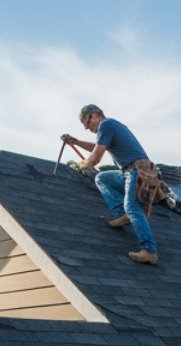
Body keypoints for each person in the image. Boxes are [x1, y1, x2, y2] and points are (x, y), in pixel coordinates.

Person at [60, 104, 159, 265]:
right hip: (129, 172)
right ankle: (120, 214)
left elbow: (95, 158)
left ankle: (149, 251)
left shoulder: (106, 124)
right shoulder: (112, 127)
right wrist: (76, 142)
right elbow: (97, 146)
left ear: (94, 116)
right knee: (102, 178)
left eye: (87, 124)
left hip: (137, 171)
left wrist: (81, 165)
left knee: (132, 207)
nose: (88, 129)